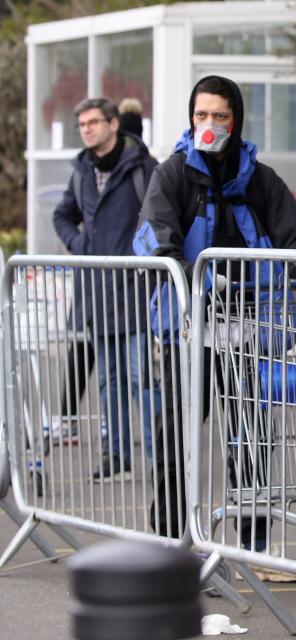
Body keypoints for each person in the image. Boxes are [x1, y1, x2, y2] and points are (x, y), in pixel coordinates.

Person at [133, 76, 296, 567]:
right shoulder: (173, 174)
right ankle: (170, 540)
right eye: (200, 115)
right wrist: (188, 277)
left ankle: (251, 544)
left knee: (250, 437)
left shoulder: (260, 179)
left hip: (251, 330)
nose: (209, 125)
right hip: (191, 330)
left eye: (219, 116)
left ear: (236, 119)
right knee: (176, 435)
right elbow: (153, 237)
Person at [52, 97, 160, 481]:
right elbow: (63, 214)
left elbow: (163, 216)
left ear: (114, 124)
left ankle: (158, 455)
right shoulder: (82, 171)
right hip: (97, 293)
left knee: (141, 377)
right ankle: (116, 456)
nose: (87, 130)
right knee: (107, 379)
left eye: (93, 122)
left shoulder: (143, 167)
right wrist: (78, 244)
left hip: (134, 293)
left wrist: (145, 255)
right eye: (81, 124)